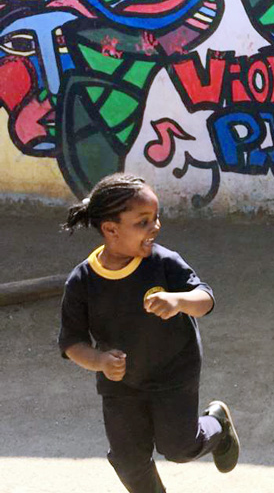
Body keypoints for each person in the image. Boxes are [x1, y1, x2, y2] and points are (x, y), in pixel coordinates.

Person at [58, 173, 240, 492]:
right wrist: (99, 361)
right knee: (129, 460)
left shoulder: (163, 263)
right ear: (110, 230)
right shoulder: (82, 281)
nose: (155, 227)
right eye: (143, 222)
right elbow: (72, 342)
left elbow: (206, 299)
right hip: (121, 384)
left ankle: (218, 426)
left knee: (180, 448)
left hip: (174, 372)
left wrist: (179, 300)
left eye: (156, 218)